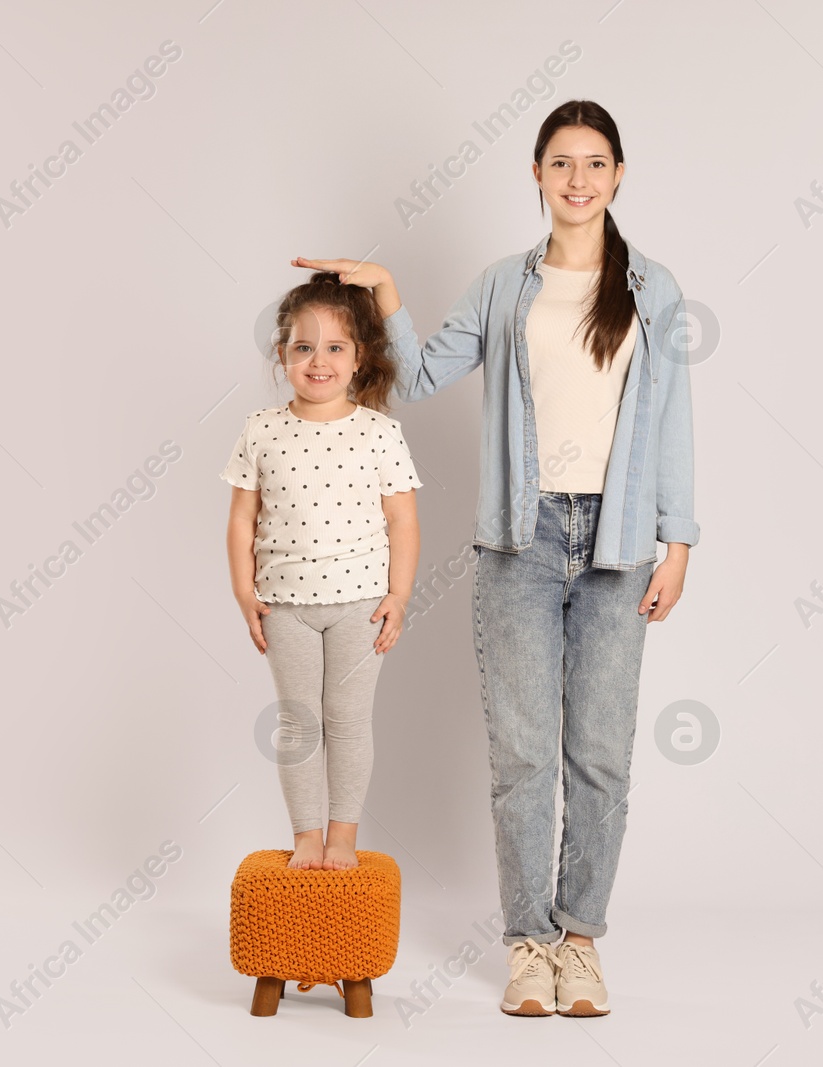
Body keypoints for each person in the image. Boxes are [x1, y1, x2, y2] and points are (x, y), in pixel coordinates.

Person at [293, 99, 698, 1016]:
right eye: (562, 163)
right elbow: (426, 374)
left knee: (600, 755)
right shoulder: (502, 287)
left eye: (596, 164)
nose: (579, 180)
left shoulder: (655, 291)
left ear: (619, 176)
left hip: (622, 543)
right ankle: (528, 944)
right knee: (522, 757)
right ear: (538, 175)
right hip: (519, 538)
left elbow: (674, 421)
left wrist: (680, 540)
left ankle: (581, 942)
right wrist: (386, 294)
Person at [222, 272, 422, 871]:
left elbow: (403, 523)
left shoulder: (381, 433)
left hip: (360, 608)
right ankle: (307, 834)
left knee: (349, 722)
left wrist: (400, 596)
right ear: (283, 354)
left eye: (335, 347)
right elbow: (240, 521)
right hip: (285, 608)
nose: (318, 361)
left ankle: (342, 836)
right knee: (300, 722)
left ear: (360, 357)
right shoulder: (262, 429)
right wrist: (243, 593)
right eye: (303, 347)